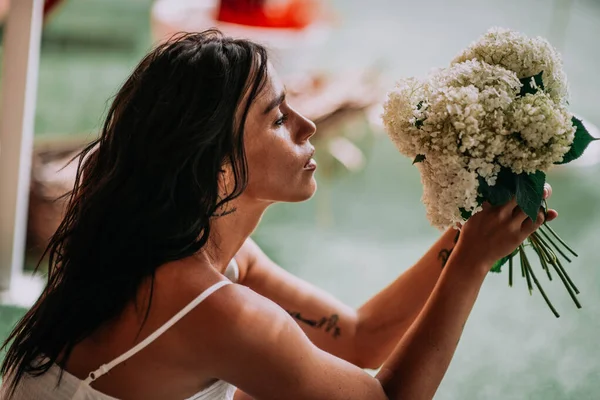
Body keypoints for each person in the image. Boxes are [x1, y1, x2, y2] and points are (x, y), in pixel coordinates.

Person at [0, 30, 557, 400]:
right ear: (219, 169)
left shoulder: (184, 244)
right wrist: (470, 266)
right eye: (277, 118)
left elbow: (358, 337)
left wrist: (468, 235)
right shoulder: (216, 311)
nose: (308, 125)